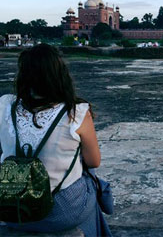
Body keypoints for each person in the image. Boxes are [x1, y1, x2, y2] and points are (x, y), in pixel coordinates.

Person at [0, 44, 113, 236]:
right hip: (61, 211)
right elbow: (94, 161)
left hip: (11, 208)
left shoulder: (5, 105)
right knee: (91, 178)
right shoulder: (76, 112)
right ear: (61, 74)